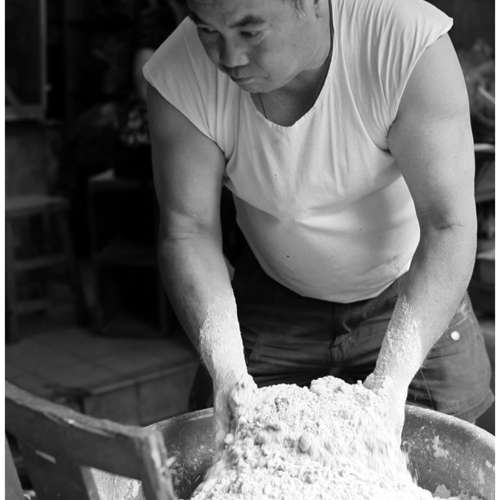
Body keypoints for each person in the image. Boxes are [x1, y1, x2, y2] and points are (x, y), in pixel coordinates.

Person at [144, 0, 493, 446]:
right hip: (275, 292)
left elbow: (449, 225)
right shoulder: (179, 72)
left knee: (452, 450)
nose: (228, 58)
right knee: (229, 443)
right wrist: (228, 370)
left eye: (250, 32)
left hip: (410, 289)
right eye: (208, 31)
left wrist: (391, 383)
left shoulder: (405, 42)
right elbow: (188, 230)